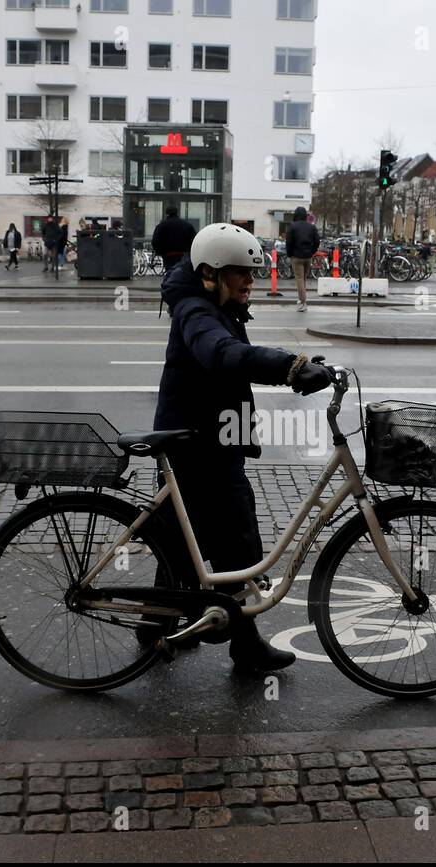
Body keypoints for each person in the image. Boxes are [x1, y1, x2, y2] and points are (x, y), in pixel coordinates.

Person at [151, 223, 334, 673]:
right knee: (235, 541)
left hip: (204, 440)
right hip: (197, 446)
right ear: (211, 274)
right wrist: (290, 368)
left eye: (253, 273)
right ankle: (245, 645)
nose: (250, 282)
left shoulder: (212, 301)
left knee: (181, 539)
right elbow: (222, 354)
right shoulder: (196, 311)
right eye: (241, 274)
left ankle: (155, 621)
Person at [285, 206, 320, 312]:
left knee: (299, 279)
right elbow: (317, 241)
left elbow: (289, 242)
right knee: (303, 279)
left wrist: (290, 254)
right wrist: (312, 252)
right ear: (305, 215)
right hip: (308, 257)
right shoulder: (311, 227)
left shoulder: (292, 226)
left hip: (296, 257)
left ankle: (303, 302)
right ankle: (301, 300)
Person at [151, 206, 197, 274]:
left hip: (169, 256)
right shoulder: (187, 225)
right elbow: (194, 241)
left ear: (166, 214)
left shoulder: (161, 226)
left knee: (171, 274)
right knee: (184, 274)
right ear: (177, 213)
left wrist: (161, 252)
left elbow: (155, 241)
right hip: (184, 255)